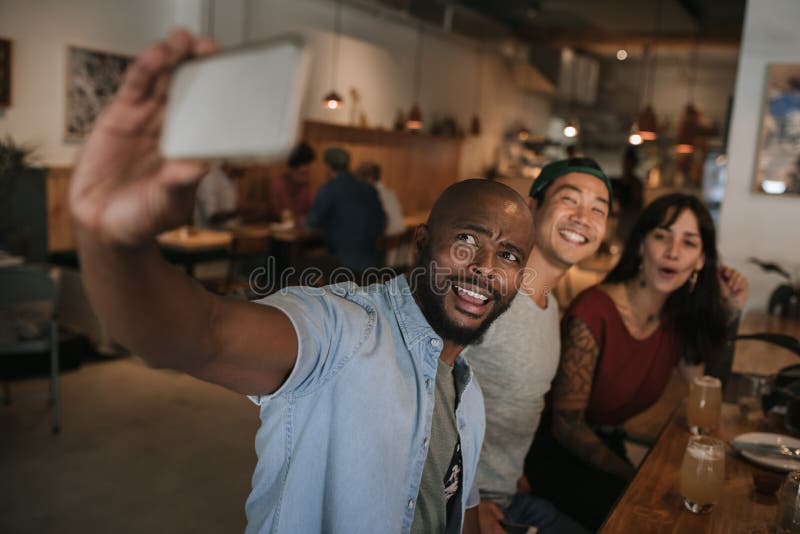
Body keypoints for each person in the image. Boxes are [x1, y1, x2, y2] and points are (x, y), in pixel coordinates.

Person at [68, 29, 537, 534]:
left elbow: (460, 515)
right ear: (421, 243)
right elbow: (200, 335)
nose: (486, 267)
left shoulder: (469, 396)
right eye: (468, 240)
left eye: (507, 254)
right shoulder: (344, 331)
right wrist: (110, 243)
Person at [524, 193, 749, 530]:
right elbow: (567, 426)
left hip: (607, 447)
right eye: (661, 236)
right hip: (552, 453)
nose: (673, 251)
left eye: (688, 243)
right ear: (641, 244)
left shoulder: (675, 319)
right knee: (650, 516)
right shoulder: (594, 311)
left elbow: (703, 389)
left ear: (701, 260)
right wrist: (638, 476)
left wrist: (731, 310)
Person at [465, 158, 612, 534]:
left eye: (599, 209)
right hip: (464, 505)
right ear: (532, 206)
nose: (584, 217)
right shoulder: (487, 292)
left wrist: (512, 471)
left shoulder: (549, 305)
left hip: (507, 494)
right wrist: (466, 503)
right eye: (570, 200)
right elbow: (419, 395)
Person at [306, 147, 387, 271]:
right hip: (373, 261)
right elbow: (383, 222)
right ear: (347, 165)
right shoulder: (370, 189)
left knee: (302, 262)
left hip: (341, 264)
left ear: (327, 167)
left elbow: (312, 222)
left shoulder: (329, 189)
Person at [357, 161, 406, 265]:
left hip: (382, 253)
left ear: (369, 179)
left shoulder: (372, 195)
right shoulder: (389, 193)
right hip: (397, 249)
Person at [267, 141, 315, 222]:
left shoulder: (306, 185)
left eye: (307, 165)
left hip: (303, 232)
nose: (304, 169)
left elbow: (310, 210)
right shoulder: (277, 186)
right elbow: (276, 214)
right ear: (291, 167)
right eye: (299, 166)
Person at [610, 146, 644, 244]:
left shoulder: (635, 183)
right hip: (623, 221)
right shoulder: (620, 182)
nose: (625, 165)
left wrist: (621, 212)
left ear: (634, 164)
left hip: (630, 222)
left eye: (628, 162)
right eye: (625, 162)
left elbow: (637, 205)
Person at [193, 162, 241, 229]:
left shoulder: (232, 179)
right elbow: (212, 217)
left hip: (229, 234)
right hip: (209, 236)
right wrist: (239, 212)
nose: (246, 170)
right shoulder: (210, 180)